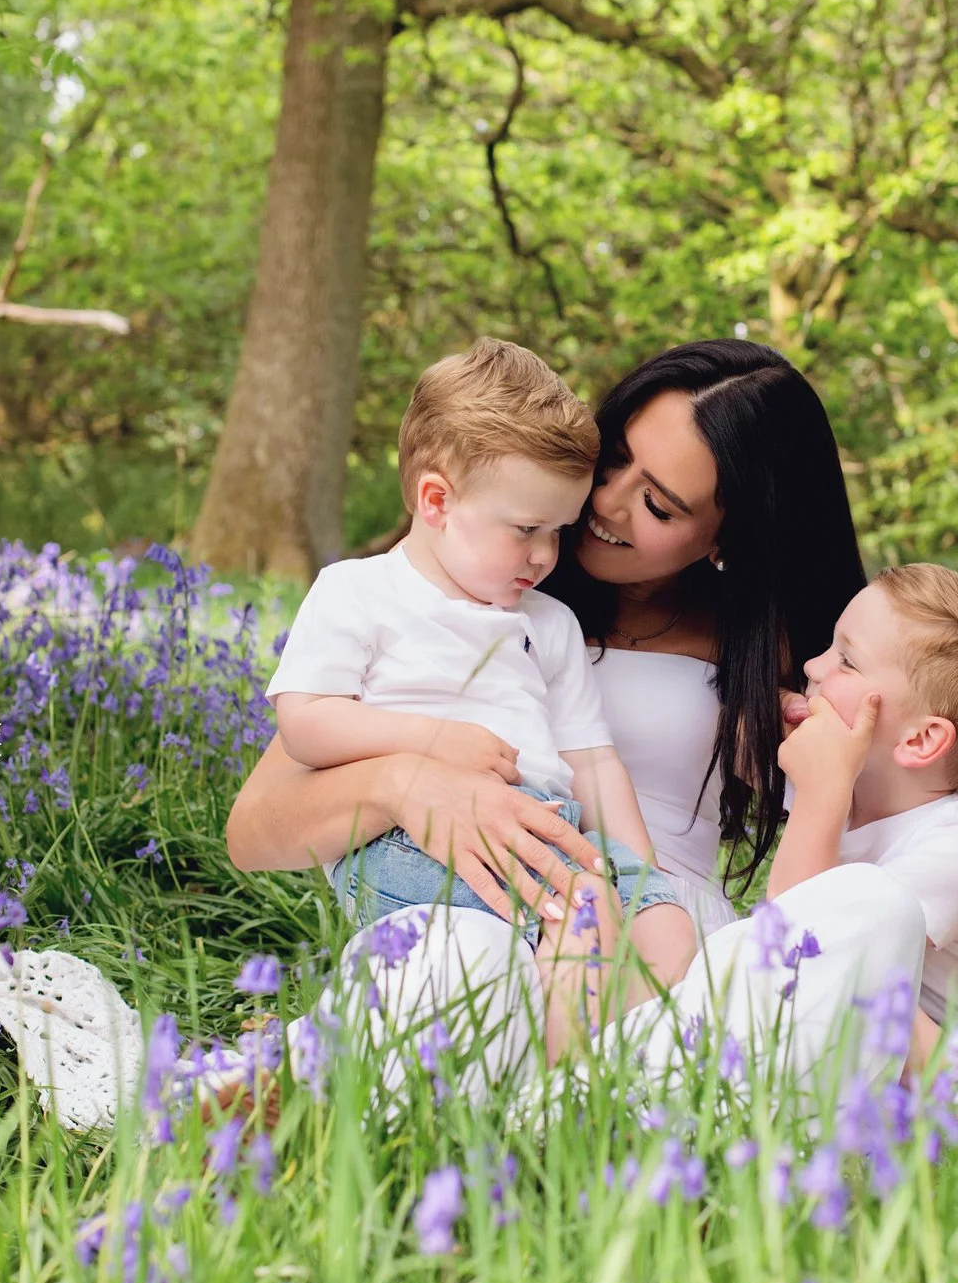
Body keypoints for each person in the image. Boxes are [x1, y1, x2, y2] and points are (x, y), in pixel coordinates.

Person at [224, 340, 958, 1095]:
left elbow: (916, 760)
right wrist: (405, 782)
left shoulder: (784, 649)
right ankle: (353, 1096)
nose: (606, 504)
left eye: (660, 505)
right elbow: (255, 829)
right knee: (455, 967)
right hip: (477, 898)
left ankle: (532, 1106)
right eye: (612, 464)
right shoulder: (468, 593)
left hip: (657, 927)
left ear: (727, 534)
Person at [265, 338, 697, 1057]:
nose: (546, 555)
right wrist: (429, 740)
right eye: (526, 530)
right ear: (437, 500)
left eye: (557, 531)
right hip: (411, 840)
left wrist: (640, 871)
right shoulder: (359, 592)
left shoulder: (547, 624)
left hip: (549, 829)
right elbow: (305, 723)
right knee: (582, 916)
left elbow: (592, 761)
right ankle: (559, 1090)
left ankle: (584, 1059)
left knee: (666, 928)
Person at [765, 563, 958, 1075]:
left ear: (921, 740)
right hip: (928, 1035)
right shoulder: (865, 780)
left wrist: (817, 794)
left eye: (846, 661)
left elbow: (797, 948)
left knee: (854, 988)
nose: (813, 665)